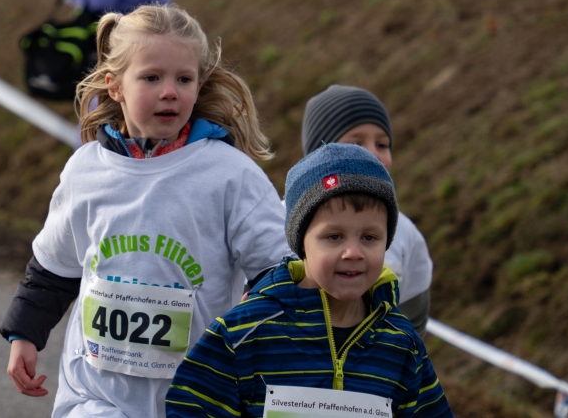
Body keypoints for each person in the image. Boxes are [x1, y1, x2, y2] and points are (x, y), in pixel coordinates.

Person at [0, 4, 291, 418]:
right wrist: (23, 334)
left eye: (183, 79)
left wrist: (260, 344)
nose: (169, 91)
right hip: (95, 396)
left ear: (199, 84)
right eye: (151, 78)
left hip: (194, 397)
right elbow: (52, 269)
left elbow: (277, 272)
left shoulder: (231, 176)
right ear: (114, 85)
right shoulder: (86, 170)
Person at [165, 143, 452, 417]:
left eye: (369, 237)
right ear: (301, 242)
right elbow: (190, 408)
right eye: (334, 237)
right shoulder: (244, 333)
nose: (353, 252)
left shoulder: (401, 343)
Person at [302, 84, 433, 336]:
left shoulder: (406, 234)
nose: (374, 154)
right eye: (356, 143)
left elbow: (412, 326)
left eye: (382, 144)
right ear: (319, 154)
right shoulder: (275, 220)